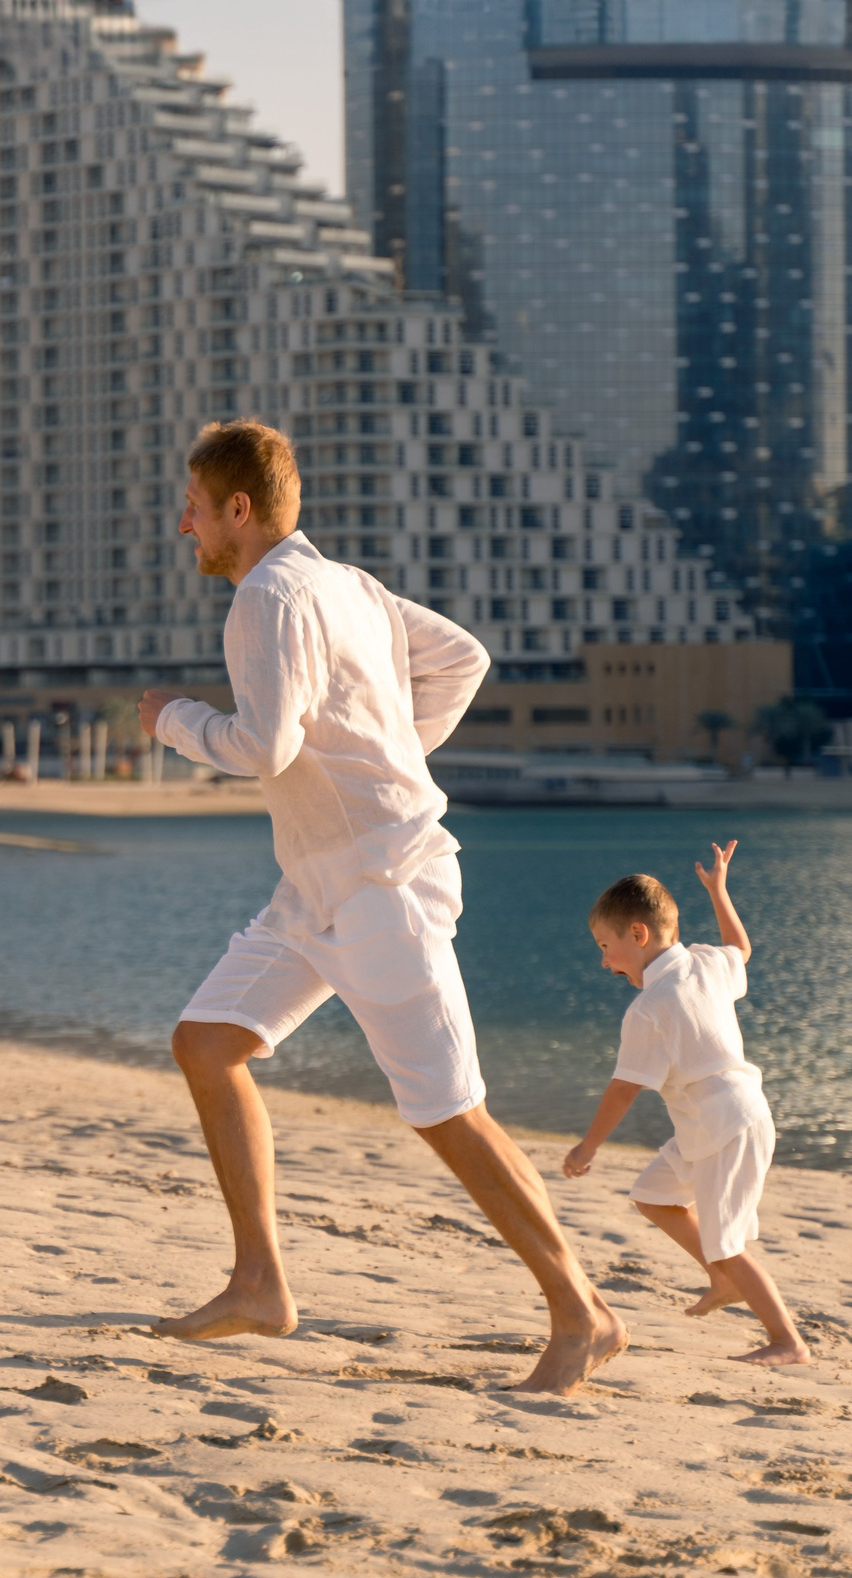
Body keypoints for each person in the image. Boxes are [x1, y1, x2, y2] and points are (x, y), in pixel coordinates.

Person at [137, 419, 624, 1395]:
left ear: (239, 509)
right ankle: (260, 1281)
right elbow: (463, 660)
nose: (180, 523)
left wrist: (173, 721)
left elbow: (265, 746)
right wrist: (392, 751)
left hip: (383, 886)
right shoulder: (349, 586)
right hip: (317, 885)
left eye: (193, 505)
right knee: (206, 1041)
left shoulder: (266, 596)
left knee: (451, 1112)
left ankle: (583, 1312)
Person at [562, 848, 808, 1365]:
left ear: (637, 934)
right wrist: (719, 892)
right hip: (716, 1121)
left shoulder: (649, 1008)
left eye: (606, 946)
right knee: (653, 1195)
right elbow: (740, 947)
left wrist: (588, 1146)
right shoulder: (705, 963)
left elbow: (625, 1087)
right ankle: (722, 1278)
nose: (604, 961)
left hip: (726, 1126)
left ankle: (788, 1341)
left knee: (728, 1242)